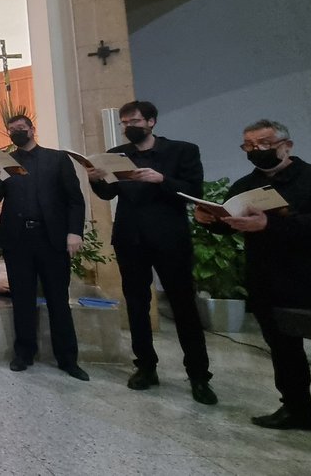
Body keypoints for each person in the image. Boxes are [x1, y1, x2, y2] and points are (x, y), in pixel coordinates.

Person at [195, 119, 311, 431]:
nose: (255, 150)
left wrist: (271, 224)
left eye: (264, 144)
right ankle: (297, 409)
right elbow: (232, 222)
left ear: (287, 146)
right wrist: (211, 220)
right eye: (249, 145)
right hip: (266, 277)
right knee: (283, 350)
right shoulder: (246, 185)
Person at [87, 101, 215, 404]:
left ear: (151, 121)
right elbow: (109, 192)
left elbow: (195, 191)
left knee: (183, 306)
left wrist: (162, 180)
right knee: (136, 304)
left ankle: (198, 375)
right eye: (124, 122)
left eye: (134, 121)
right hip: (130, 238)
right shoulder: (117, 154)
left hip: (170, 238)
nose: (128, 126)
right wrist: (96, 180)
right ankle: (145, 366)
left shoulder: (182, 151)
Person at [0, 115, 89, 381]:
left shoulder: (57, 159)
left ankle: (67, 358)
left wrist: (74, 232)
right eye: (12, 130)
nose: (16, 132)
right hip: (18, 239)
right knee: (22, 298)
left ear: (32, 129)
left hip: (51, 238)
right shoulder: (6, 161)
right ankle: (24, 353)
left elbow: (75, 200)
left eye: (21, 128)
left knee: (58, 299)